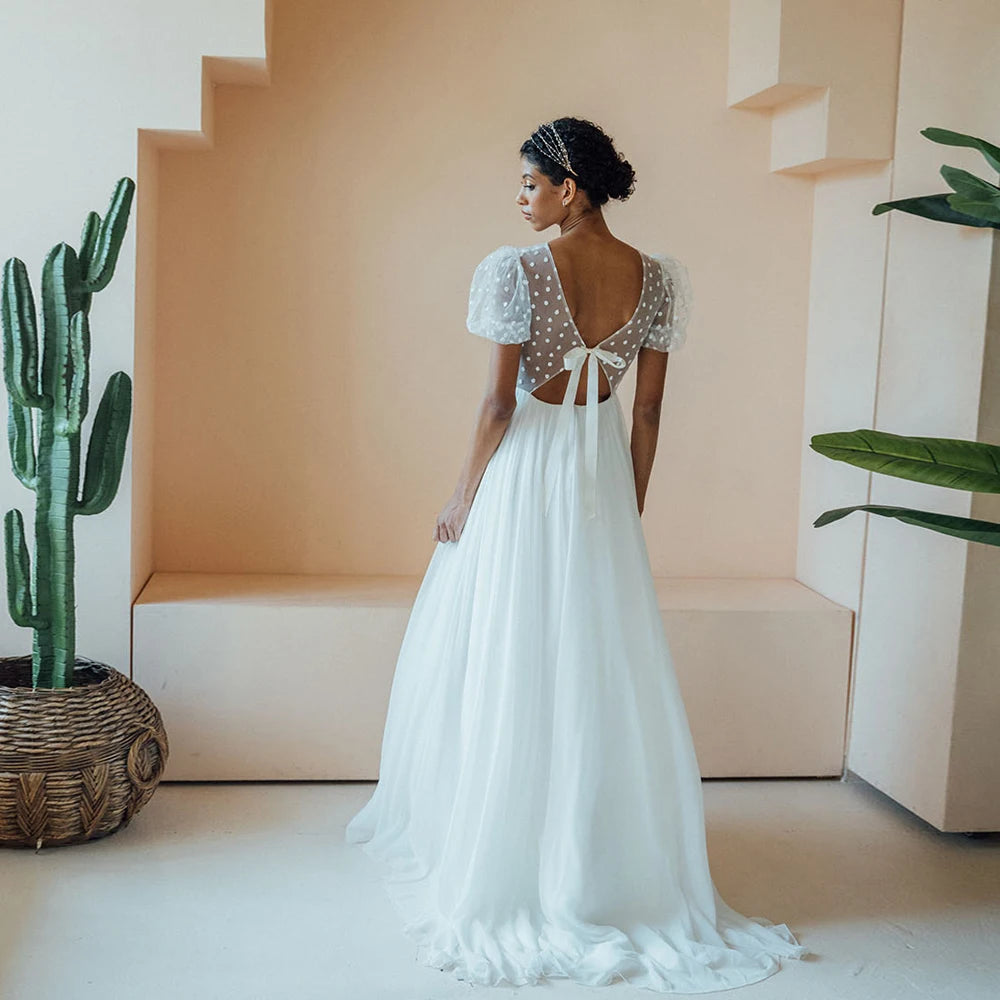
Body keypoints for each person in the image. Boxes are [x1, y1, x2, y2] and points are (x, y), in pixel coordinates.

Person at [345, 116, 810, 991]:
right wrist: (625, 505)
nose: (519, 200)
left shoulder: (519, 272)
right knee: (596, 663)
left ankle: (506, 847)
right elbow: (649, 414)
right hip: (598, 481)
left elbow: (496, 409)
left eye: (529, 184)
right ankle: (597, 855)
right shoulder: (658, 280)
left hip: (526, 480)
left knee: (508, 648)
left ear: (570, 187)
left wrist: (460, 496)